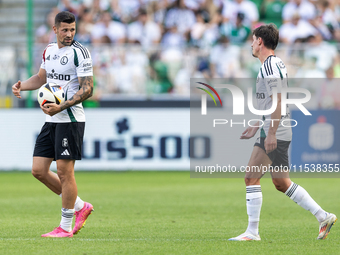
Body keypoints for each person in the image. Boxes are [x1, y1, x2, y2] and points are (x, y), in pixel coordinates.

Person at [228, 24, 337, 241]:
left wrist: (270, 133)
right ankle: (323, 216)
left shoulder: (269, 66)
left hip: (276, 128)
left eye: (253, 39)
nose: (251, 43)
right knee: (281, 182)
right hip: (278, 126)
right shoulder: (273, 64)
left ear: (260, 41)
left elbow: (278, 100)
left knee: (251, 178)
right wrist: (256, 124)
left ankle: (252, 232)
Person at [12, 11, 94, 238]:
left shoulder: (80, 53)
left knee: (65, 172)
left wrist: (62, 106)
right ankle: (80, 206)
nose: (69, 34)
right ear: (55, 30)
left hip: (70, 119)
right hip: (52, 119)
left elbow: (88, 89)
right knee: (38, 170)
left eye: (73, 30)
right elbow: (41, 78)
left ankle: (65, 226)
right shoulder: (49, 50)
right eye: (65, 30)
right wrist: (22, 86)